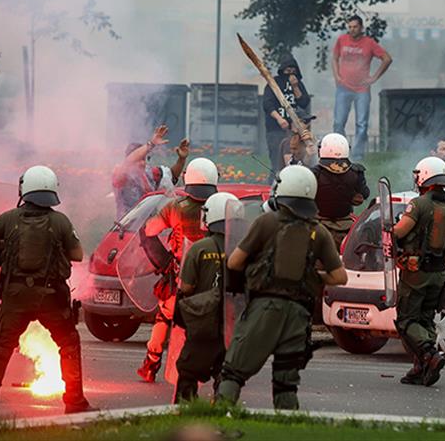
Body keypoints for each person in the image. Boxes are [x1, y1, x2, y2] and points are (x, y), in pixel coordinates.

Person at [216, 165, 348, 409]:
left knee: (233, 372)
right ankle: (289, 426)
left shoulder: (266, 222)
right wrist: (312, 276)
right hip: (299, 315)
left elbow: (234, 262)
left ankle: (217, 419)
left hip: (264, 309)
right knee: (286, 384)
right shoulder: (319, 232)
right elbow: (340, 277)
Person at [0, 166, 92, 419]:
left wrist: (6, 246)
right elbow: (77, 254)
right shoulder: (60, 221)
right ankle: (74, 402)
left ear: (24, 189)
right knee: (68, 343)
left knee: (2, 347)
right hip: (51, 297)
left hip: (15, 295)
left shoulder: (9, 218)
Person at [136, 157, 220, 383]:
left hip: (181, 279)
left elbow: (149, 231)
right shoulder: (221, 207)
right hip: (216, 282)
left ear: (188, 180)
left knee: (164, 317)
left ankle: (151, 365)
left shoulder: (175, 208)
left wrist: (163, 261)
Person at [391, 156, 445, 387]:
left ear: (423, 176)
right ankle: (421, 369)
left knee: (406, 320)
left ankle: (429, 355)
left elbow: (400, 232)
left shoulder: (419, 204)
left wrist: (388, 229)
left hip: (416, 273)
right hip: (440, 273)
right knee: (425, 319)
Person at [172, 192, 240, 401]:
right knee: (226, 375)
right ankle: (222, 410)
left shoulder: (199, 249)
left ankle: (185, 410)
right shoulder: (242, 250)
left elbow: (187, 287)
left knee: (188, 370)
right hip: (233, 325)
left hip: (202, 324)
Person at [332, 15, 392, 162]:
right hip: (343, 87)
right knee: (339, 122)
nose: (352, 29)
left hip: (362, 89)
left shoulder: (369, 43)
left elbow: (387, 58)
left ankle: (357, 155)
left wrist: (374, 78)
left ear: (361, 27)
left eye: (355, 27)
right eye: (350, 27)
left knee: (362, 124)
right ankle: (341, 152)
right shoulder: (342, 40)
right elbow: (334, 58)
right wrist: (337, 76)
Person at [112, 124, 190, 218]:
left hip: (148, 227)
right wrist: (151, 144)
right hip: (126, 228)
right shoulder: (121, 175)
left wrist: (181, 159)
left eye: (144, 159)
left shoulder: (149, 173)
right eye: (138, 160)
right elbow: (128, 162)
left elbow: (172, 176)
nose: (142, 163)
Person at [310, 133, 369, 249]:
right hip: (347, 227)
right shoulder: (357, 172)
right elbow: (365, 193)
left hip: (318, 226)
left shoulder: (314, 173)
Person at [263, 54, 310, 172]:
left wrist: (295, 86)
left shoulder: (298, 84)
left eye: (293, 70)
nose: (290, 73)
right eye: (288, 70)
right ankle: (275, 184)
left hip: (294, 130)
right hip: (276, 129)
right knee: (277, 161)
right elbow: (267, 104)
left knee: (296, 160)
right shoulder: (274, 83)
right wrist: (279, 118)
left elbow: (304, 102)